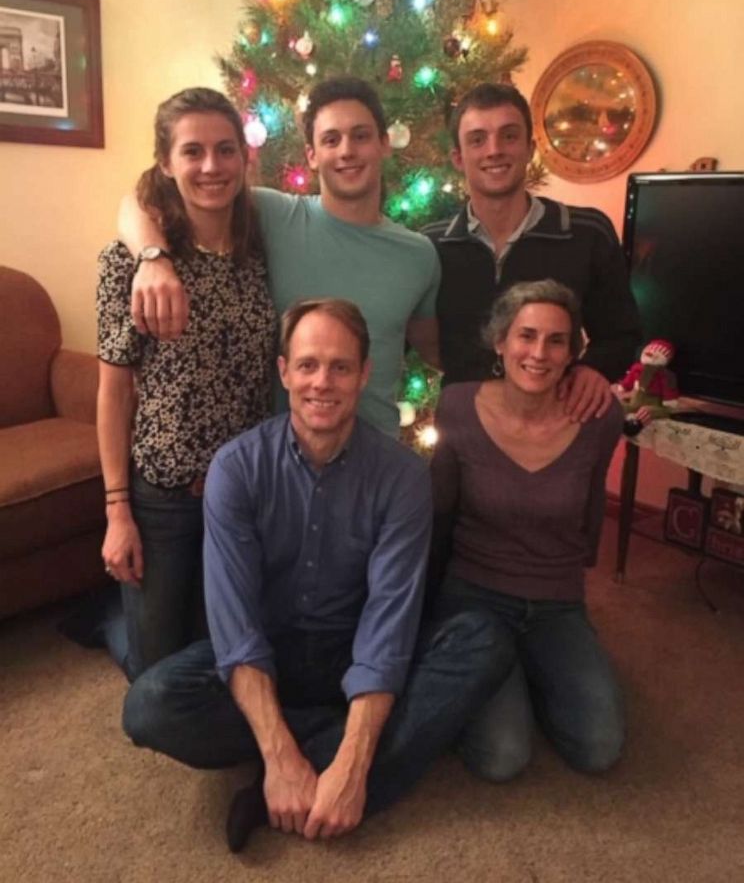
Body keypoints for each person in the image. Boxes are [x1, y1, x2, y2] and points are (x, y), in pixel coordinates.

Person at [122, 299, 512, 851]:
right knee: (150, 705)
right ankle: (317, 753)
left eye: (340, 367)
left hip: (353, 649)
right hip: (268, 653)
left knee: (484, 641)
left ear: (365, 374)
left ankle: (306, 778)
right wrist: (283, 756)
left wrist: (352, 764)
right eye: (307, 365)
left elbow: (388, 623)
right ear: (283, 372)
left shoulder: (401, 476)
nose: (321, 382)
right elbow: (235, 630)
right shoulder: (237, 468)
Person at [117, 76, 441, 438]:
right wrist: (152, 259)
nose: (346, 151)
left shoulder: (418, 255)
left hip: (374, 466)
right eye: (331, 140)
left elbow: (434, 349)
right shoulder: (272, 214)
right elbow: (141, 200)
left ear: (384, 144)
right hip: (280, 467)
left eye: (361, 136)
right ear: (312, 156)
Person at [96, 87, 276, 679]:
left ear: (243, 160)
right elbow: (114, 391)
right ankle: (108, 622)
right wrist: (118, 510)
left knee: (221, 657)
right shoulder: (131, 262)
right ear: (167, 162)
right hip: (164, 498)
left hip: (240, 496)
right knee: (155, 673)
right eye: (192, 151)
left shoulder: (260, 248)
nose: (210, 166)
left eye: (226, 150)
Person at [430, 279, 625, 782]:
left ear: (573, 351)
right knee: (502, 758)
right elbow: (440, 512)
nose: (539, 353)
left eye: (556, 340)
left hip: (556, 602)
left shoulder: (600, 418)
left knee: (600, 747)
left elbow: (588, 515)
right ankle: (496, 675)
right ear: (500, 342)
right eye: (526, 336)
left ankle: (532, 672)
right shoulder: (456, 406)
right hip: (474, 596)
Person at [425, 82, 641, 423]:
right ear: (458, 158)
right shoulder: (430, 247)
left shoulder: (587, 234)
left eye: (508, 136)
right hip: (464, 435)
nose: (494, 150)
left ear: (530, 148)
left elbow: (623, 334)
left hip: (558, 431)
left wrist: (592, 369)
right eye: (477, 139)